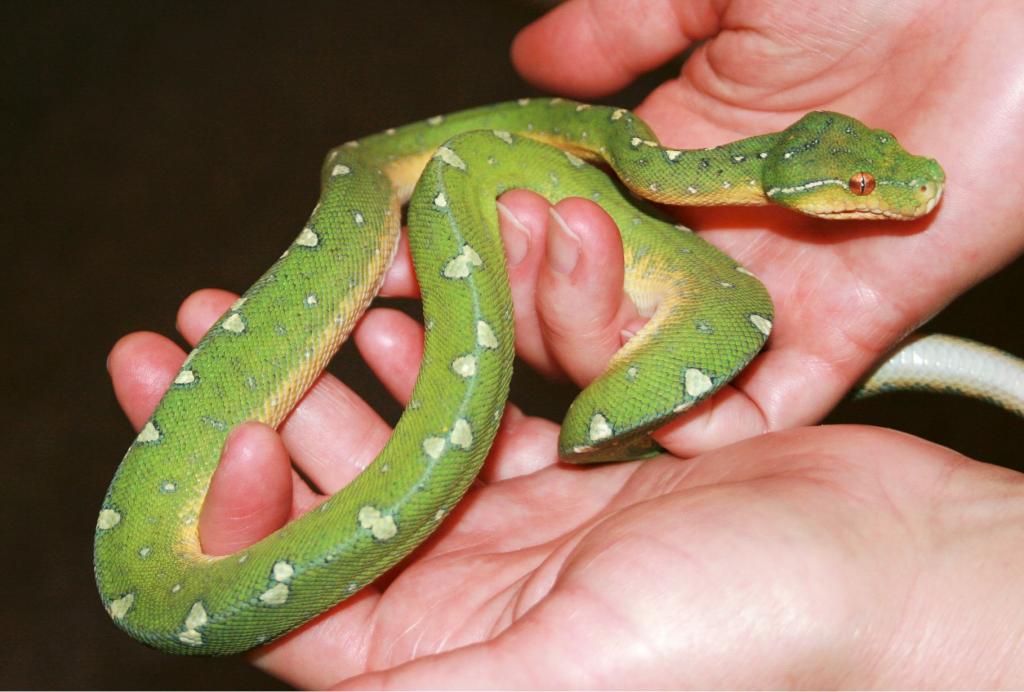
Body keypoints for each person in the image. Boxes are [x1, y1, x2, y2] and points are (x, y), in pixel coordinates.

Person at [106, 1, 1024, 687]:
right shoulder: (631, 155)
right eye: (867, 183)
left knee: (519, 243)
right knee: (400, 191)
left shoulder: (686, 169)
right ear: (797, 177)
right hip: (163, 559)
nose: (900, 194)